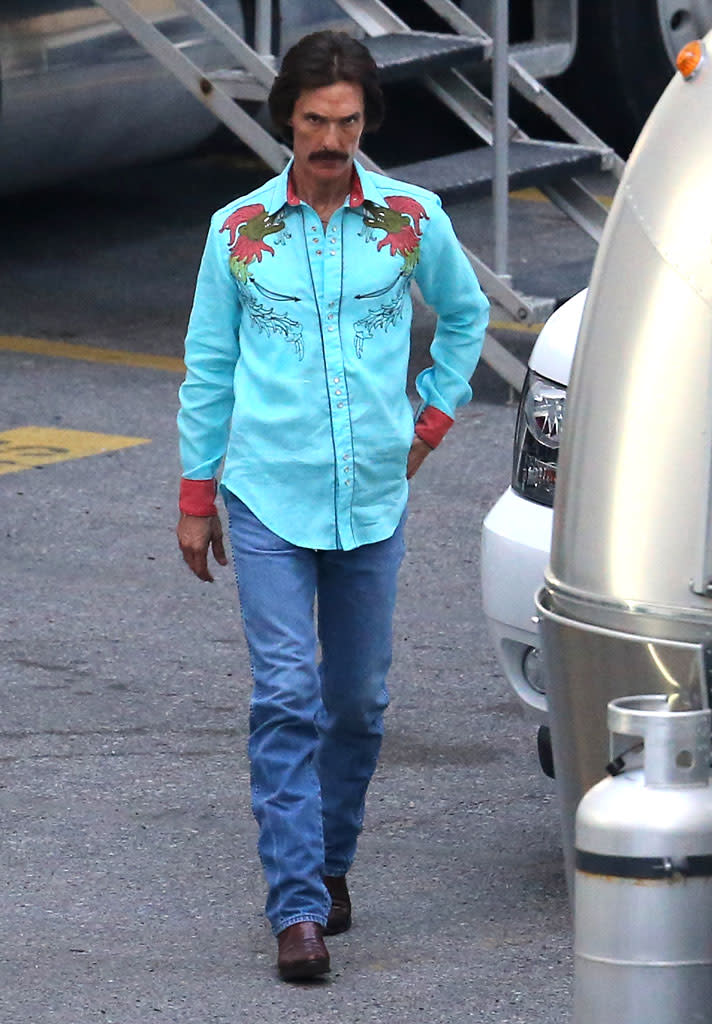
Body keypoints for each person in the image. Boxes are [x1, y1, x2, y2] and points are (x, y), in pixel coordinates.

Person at [176, 29, 489, 981]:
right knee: (286, 695)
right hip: (267, 493)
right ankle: (297, 910)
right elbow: (209, 368)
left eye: (347, 122)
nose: (330, 140)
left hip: (372, 500)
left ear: (366, 122)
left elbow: (468, 315)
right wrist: (196, 497)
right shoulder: (237, 230)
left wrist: (428, 424)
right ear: (287, 121)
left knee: (357, 704)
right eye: (314, 121)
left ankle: (330, 865)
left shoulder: (412, 216)